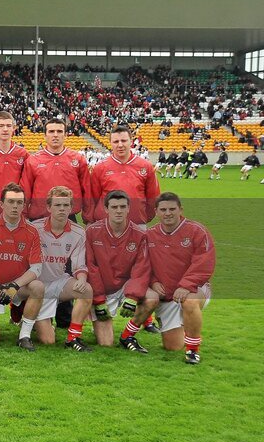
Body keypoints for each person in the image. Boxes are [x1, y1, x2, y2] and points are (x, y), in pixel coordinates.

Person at [140, 193, 216, 364]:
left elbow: (204, 263)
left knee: (189, 302)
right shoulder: (149, 235)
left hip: (193, 289)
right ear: (156, 212)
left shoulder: (197, 231)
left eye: (172, 209)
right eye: (163, 210)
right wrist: (153, 282)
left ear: (180, 209)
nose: (168, 213)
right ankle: (184, 325)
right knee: (172, 346)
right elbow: (143, 265)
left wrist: (186, 285)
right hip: (167, 295)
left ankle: (193, 351)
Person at [0, 183, 46, 351]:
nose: (15, 206)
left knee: (38, 287)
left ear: (24, 205)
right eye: (10, 202)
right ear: (1, 204)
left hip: (17, 287)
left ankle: (24, 336)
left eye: (19, 202)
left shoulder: (32, 230)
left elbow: (37, 267)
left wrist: (14, 286)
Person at [84, 190, 152, 350]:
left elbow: (141, 268)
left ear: (129, 208)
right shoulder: (92, 232)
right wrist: (99, 300)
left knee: (152, 298)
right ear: (106, 209)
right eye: (114, 207)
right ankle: (98, 323)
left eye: (123, 206)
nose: (119, 211)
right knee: (106, 344)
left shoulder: (140, 234)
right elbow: (90, 267)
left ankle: (127, 335)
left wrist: (133, 296)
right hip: (102, 290)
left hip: (125, 288)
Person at [32, 187, 93, 351]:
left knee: (86, 290)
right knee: (47, 341)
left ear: (71, 208)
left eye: (66, 205)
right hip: (36, 285)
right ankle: (28, 316)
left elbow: (79, 263)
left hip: (59, 281)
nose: (62, 209)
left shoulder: (79, 232)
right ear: (48, 207)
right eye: (57, 205)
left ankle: (73, 338)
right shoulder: (34, 228)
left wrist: (81, 278)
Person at [88, 124, 160, 226]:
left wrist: (142, 217)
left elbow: (153, 197)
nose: (120, 145)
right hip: (106, 226)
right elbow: (92, 199)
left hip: (136, 225)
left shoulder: (145, 166)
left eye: (124, 141)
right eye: (116, 141)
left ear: (131, 141)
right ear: (110, 143)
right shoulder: (100, 168)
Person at [21, 118, 90, 222]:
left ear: (66, 135)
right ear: (45, 135)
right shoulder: (33, 160)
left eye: (59, 131)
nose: (55, 135)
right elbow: (25, 191)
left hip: (69, 217)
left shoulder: (78, 159)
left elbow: (87, 190)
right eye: (51, 131)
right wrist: (23, 217)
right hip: (39, 218)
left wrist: (88, 217)